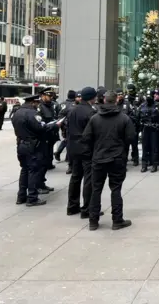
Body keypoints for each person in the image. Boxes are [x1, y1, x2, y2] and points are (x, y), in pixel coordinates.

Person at [82, 91, 135, 231]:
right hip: (117, 158)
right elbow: (131, 137)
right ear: (116, 101)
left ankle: (93, 221)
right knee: (116, 189)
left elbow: (86, 138)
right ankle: (117, 220)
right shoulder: (124, 118)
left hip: (99, 158)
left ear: (104, 100)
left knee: (96, 189)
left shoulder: (95, 118)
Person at [12, 95, 59, 206]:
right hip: (33, 146)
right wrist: (55, 126)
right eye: (37, 103)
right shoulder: (32, 114)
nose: (38, 105)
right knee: (33, 171)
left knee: (24, 170)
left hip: (21, 144)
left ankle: (21, 196)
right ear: (33, 102)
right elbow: (40, 128)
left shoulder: (17, 113)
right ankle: (32, 197)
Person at [65, 87, 98, 218]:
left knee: (75, 177)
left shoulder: (73, 110)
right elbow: (93, 132)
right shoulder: (90, 112)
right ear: (92, 97)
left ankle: (72, 206)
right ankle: (87, 209)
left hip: (73, 148)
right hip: (86, 148)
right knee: (88, 179)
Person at [139, 89, 159, 172]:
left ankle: (154, 164)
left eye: (150, 96)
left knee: (154, 147)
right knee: (145, 147)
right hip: (145, 128)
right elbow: (138, 116)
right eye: (147, 96)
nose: (149, 98)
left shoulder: (158, 105)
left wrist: (157, 110)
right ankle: (144, 165)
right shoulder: (142, 105)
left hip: (154, 129)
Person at [36, 87, 58, 193]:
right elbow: (40, 124)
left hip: (49, 138)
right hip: (42, 138)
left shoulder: (50, 106)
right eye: (49, 96)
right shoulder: (40, 107)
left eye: (51, 96)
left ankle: (42, 183)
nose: (50, 98)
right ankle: (38, 185)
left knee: (46, 162)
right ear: (43, 96)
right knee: (41, 163)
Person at [56, 90, 77, 174]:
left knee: (66, 141)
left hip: (65, 126)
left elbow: (59, 114)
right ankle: (69, 162)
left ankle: (62, 155)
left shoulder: (62, 104)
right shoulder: (72, 105)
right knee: (68, 142)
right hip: (69, 127)